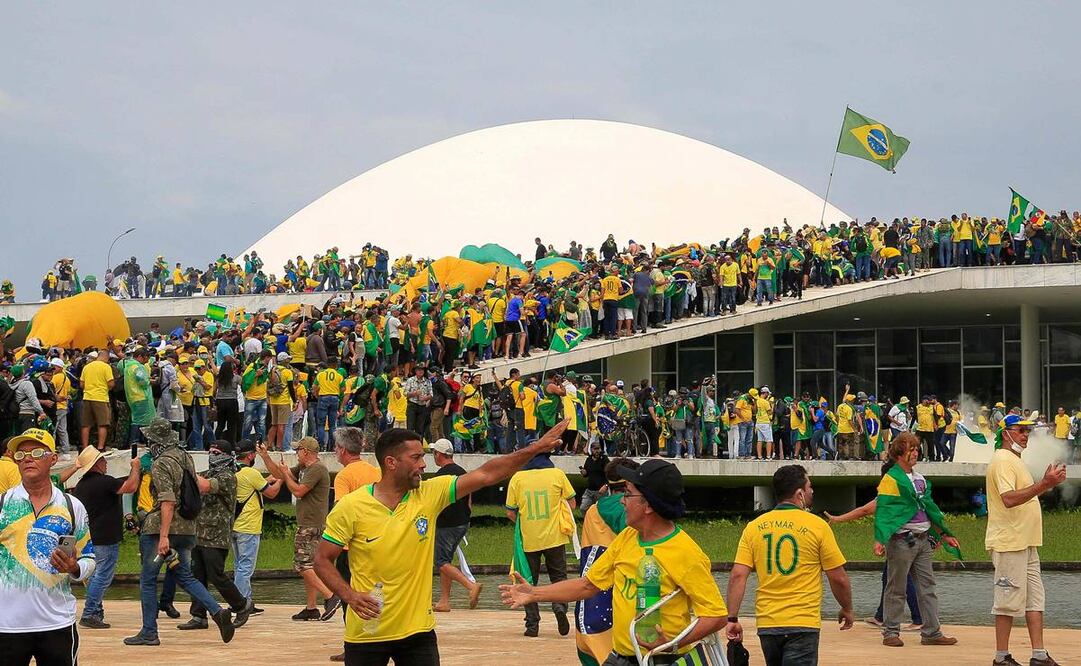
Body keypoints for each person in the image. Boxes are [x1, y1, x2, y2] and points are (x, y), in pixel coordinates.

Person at [314, 420, 569, 666]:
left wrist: (537, 447)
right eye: (415, 458)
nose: (423, 465)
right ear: (391, 462)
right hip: (366, 633)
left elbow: (487, 474)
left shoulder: (429, 494)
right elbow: (322, 560)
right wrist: (350, 596)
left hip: (418, 633)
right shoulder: (351, 507)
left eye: (423, 456)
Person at [501, 459, 727, 666]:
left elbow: (715, 615)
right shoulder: (628, 537)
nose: (622, 501)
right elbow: (587, 585)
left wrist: (673, 643)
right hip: (620, 657)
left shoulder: (685, 552)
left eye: (628, 494)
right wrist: (534, 593)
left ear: (648, 505)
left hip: (664, 659)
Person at [726, 465, 854, 665]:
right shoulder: (817, 526)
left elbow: (737, 576)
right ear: (800, 494)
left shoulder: (753, 528)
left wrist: (732, 619)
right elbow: (838, 577)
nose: (812, 490)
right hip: (802, 623)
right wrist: (847, 607)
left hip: (768, 625)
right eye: (809, 486)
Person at [124, 418, 236, 647]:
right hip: (187, 527)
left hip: (160, 528)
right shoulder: (185, 457)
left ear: (155, 440)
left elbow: (167, 500)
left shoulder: (160, 463)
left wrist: (164, 536)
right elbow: (197, 486)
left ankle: (149, 631)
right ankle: (216, 611)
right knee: (185, 575)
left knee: (148, 579)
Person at [0, 428, 96, 665]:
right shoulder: (2, 505)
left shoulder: (72, 506)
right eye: (21, 455)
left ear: (53, 458)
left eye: (36, 452)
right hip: (6, 625)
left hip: (57, 624)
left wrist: (74, 568)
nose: (28, 459)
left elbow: (90, 558)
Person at [986, 414, 1067, 666]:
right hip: (1009, 543)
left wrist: (1046, 484)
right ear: (1006, 433)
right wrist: (1044, 483)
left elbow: (1023, 497)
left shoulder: (1015, 460)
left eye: (1027, 431)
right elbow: (1008, 499)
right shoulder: (1002, 460)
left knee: (1035, 601)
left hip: (1026, 542)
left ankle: (1039, 654)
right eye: (1020, 430)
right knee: (1006, 602)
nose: (1025, 435)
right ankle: (1001, 657)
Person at [873, 432, 959, 648]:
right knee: (896, 587)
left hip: (922, 540)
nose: (916, 453)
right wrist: (880, 538)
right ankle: (891, 632)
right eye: (911, 449)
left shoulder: (920, 478)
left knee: (927, 587)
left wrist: (944, 534)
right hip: (901, 540)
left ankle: (931, 631)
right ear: (900, 453)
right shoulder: (891, 478)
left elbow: (931, 510)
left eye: (917, 449)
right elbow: (884, 510)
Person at [258, 436, 340, 621]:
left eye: (298, 451)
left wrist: (286, 475)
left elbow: (298, 491)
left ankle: (330, 596)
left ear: (306, 452)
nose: (296, 454)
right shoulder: (304, 468)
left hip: (311, 525)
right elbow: (279, 475)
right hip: (308, 523)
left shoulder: (317, 469)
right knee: (309, 564)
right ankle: (311, 608)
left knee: (301, 565)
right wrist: (265, 457)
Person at [177, 439, 253, 632]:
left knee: (216, 574)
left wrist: (185, 465)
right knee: (197, 575)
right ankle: (198, 615)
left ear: (228, 456)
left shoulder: (228, 476)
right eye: (210, 452)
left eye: (217, 453)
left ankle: (241, 605)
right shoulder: (209, 473)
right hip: (200, 533)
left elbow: (203, 485)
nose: (212, 456)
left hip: (217, 535)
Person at [505, 450, 577, 637]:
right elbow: (573, 504)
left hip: (529, 539)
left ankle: (532, 625)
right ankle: (559, 606)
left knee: (527, 581)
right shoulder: (557, 474)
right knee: (559, 577)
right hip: (555, 538)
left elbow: (510, 512)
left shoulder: (517, 478)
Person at [72, 446, 140, 629]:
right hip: (105, 537)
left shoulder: (81, 484)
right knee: (103, 576)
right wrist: (135, 468)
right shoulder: (105, 482)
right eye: (102, 460)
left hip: (89, 537)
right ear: (95, 464)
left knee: (95, 576)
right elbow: (131, 487)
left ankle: (96, 612)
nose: (106, 463)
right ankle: (89, 612)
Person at [429, 438, 483, 613]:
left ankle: (470, 586)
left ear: (439, 454)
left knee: (441, 562)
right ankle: (444, 601)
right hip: (462, 523)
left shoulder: (441, 476)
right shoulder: (462, 472)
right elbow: (469, 500)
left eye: (434, 453)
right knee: (447, 560)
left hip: (447, 524)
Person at [232, 439, 282, 612]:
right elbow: (272, 493)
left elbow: (252, 486)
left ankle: (246, 601)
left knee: (239, 565)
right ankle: (241, 604)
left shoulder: (233, 471)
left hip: (234, 526)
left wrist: (268, 479)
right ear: (251, 455)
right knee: (245, 568)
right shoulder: (251, 473)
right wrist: (281, 479)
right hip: (249, 527)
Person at [79, 351, 115, 451]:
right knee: (102, 424)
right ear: (106, 358)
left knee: (86, 425)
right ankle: (100, 447)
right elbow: (111, 383)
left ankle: (85, 447)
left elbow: (81, 384)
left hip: (87, 397)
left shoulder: (87, 367)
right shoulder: (106, 367)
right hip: (101, 398)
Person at [579, 441, 609, 514]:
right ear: (591, 449)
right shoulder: (588, 459)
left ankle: (600, 523)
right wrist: (584, 473)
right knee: (583, 508)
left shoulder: (604, 459)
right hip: (589, 490)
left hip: (601, 491)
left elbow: (610, 474)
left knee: (601, 511)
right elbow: (586, 474)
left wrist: (606, 485)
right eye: (595, 449)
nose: (597, 451)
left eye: (598, 449)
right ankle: (587, 521)